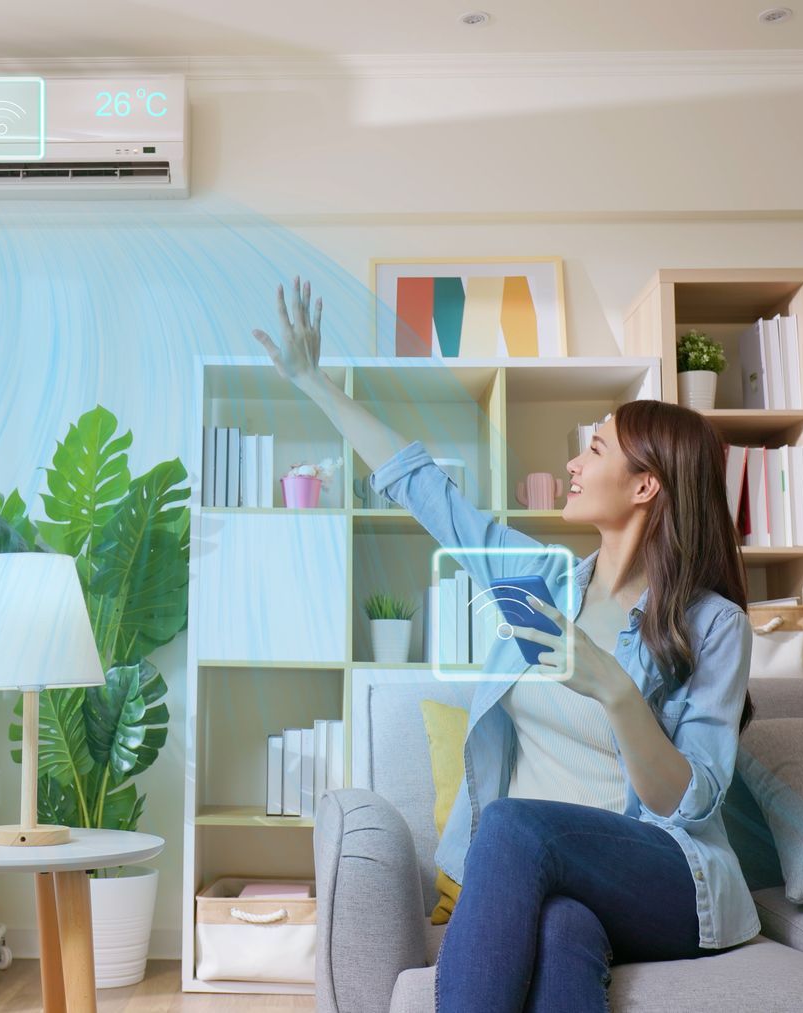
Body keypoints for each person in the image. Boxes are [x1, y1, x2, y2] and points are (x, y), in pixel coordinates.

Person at [253, 279, 758, 1013]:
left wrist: (614, 689)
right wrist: (313, 383)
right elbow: (424, 489)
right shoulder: (541, 582)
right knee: (562, 934)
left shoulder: (714, 626)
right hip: (556, 879)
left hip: (667, 876)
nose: (575, 465)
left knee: (516, 823)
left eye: (593, 449)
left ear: (646, 484)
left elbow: (688, 802)